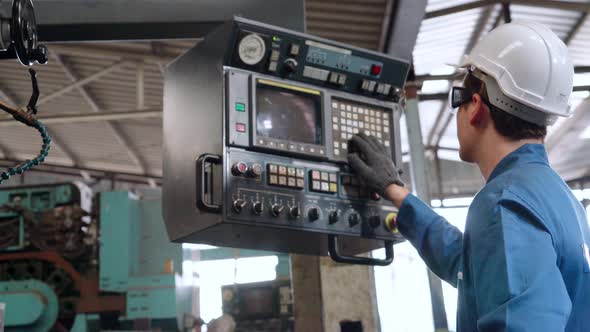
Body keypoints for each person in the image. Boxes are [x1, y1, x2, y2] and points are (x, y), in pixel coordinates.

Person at [348, 21, 590, 331]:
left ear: (475, 107)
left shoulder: (505, 204)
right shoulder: (560, 198)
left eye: (457, 99)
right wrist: (397, 192)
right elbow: (472, 268)